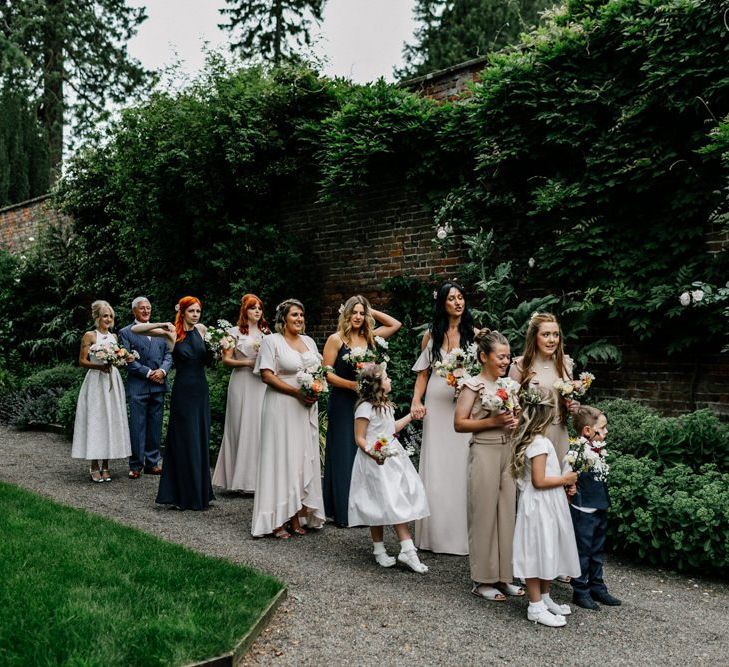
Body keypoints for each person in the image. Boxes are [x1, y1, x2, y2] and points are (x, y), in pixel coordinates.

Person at [454, 329, 523, 601]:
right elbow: (459, 423)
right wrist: (492, 423)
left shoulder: (509, 386)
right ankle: (482, 579)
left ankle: (505, 577)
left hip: (508, 451)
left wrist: (515, 422)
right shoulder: (472, 385)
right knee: (483, 514)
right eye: (501, 357)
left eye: (507, 357)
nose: (506, 362)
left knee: (507, 513)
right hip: (483, 451)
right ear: (484, 357)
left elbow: (514, 417)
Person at [322, 295, 401, 526]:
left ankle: (365, 509)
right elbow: (326, 373)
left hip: (366, 405)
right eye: (354, 312)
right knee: (344, 452)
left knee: (365, 451)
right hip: (343, 401)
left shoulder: (371, 338)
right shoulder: (336, 340)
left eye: (361, 313)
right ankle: (343, 511)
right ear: (346, 314)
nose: (357, 317)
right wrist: (351, 385)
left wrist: (370, 309)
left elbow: (395, 325)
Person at [410, 281, 476, 555]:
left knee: (462, 465)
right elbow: (423, 374)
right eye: (452, 299)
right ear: (443, 304)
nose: (458, 303)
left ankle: (462, 536)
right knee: (437, 467)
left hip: (463, 405)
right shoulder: (432, 336)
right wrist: (416, 400)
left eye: (461, 297)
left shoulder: (475, 334)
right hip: (437, 404)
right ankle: (434, 535)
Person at [251, 299, 325, 538]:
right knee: (281, 458)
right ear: (283, 318)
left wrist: (316, 388)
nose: (299, 319)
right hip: (281, 406)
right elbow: (266, 375)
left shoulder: (309, 341)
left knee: (301, 458)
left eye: (302, 315)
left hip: (305, 408)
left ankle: (296, 514)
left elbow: (319, 371)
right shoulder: (271, 341)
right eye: (294, 315)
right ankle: (275, 520)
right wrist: (296, 392)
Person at [132, 296, 214, 510]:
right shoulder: (172, 333)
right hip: (183, 390)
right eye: (191, 311)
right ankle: (182, 493)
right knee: (185, 437)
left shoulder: (203, 330)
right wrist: (161, 324)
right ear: (183, 312)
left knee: (200, 436)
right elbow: (136, 331)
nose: (196, 315)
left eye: (198, 311)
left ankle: (200, 490)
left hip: (201, 389)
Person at [349, 363, 430, 573]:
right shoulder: (364, 408)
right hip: (374, 461)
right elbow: (359, 438)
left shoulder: (386, 405)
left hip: (392, 459)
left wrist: (411, 416)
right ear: (377, 385)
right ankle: (399, 550)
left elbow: (390, 429)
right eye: (386, 378)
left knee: (392, 501)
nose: (390, 380)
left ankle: (400, 550)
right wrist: (375, 454)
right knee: (382, 504)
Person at [511, 386, 580, 627]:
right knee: (535, 551)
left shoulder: (539, 439)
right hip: (539, 505)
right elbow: (539, 481)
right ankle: (535, 606)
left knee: (548, 549)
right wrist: (566, 479)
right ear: (546, 413)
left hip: (548, 503)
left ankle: (545, 597)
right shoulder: (538, 443)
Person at [212, 294, 270, 493]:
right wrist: (247, 362)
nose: (257, 311)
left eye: (259, 308)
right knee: (240, 426)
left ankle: (257, 481)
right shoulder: (232, 332)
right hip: (242, 381)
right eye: (253, 308)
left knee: (259, 427)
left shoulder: (267, 334)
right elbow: (226, 360)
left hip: (261, 384)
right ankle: (237, 480)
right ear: (245, 311)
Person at [566, 406, 622, 610]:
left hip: (599, 505)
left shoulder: (598, 449)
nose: (606, 432)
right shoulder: (576, 451)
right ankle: (580, 590)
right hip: (583, 509)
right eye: (603, 428)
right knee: (583, 551)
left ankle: (597, 586)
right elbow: (569, 476)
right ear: (587, 431)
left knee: (598, 550)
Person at [71, 300, 132, 482]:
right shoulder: (90, 335)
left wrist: (120, 360)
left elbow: (116, 358)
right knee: (96, 419)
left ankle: (106, 465)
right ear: (97, 317)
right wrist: (99, 367)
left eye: (111, 316)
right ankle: (94, 464)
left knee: (110, 420)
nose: (108, 319)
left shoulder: (113, 337)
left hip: (112, 380)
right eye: (105, 315)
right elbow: (82, 361)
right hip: (96, 381)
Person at [509, 312, 579, 464]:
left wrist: (573, 406)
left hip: (559, 431)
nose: (552, 340)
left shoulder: (565, 364)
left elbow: (567, 399)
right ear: (534, 337)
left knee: (560, 481)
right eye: (546, 334)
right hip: (532, 434)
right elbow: (510, 405)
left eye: (555, 334)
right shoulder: (521, 366)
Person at [118, 296, 173, 479]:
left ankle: (153, 463)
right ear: (134, 310)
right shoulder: (126, 332)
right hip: (139, 385)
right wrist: (149, 373)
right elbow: (126, 359)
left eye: (148, 308)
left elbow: (169, 354)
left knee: (155, 426)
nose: (146, 311)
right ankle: (136, 465)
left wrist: (163, 371)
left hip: (159, 384)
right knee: (137, 426)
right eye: (142, 308)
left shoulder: (161, 331)